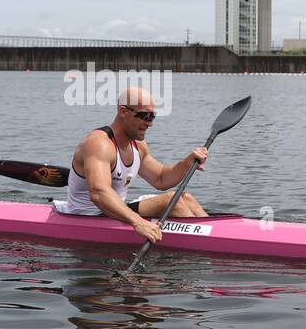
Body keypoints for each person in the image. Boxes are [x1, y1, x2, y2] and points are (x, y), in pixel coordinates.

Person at [54, 86, 209, 245]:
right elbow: (99, 193)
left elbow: (161, 178)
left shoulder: (137, 146)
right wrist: (138, 222)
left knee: (186, 198)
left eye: (152, 116)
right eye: (145, 116)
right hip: (88, 218)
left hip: (115, 212)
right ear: (123, 111)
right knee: (172, 201)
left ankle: (214, 233)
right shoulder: (99, 144)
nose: (150, 124)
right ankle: (206, 246)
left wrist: (186, 163)